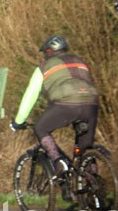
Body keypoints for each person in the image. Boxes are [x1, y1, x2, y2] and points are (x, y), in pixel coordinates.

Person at [10, 35, 99, 177]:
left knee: (40, 127)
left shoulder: (44, 66)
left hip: (66, 103)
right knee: (85, 148)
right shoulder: (80, 61)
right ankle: (93, 181)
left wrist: (18, 121)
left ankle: (58, 161)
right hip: (91, 103)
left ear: (48, 51)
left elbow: (30, 95)